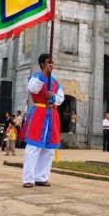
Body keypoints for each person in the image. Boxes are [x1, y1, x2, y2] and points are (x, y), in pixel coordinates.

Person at [21, 53, 64, 188]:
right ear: (42, 64)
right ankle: (28, 178)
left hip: (52, 115)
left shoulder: (56, 82)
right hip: (39, 113)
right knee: (33, 147)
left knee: (48, 149)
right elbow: (34, 88)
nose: (51, 65)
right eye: (48, 62)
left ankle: (42, 177)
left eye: (52, 62)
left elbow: (61, 98)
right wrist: (44, 75)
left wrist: (53, 98)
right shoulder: (34, 78)